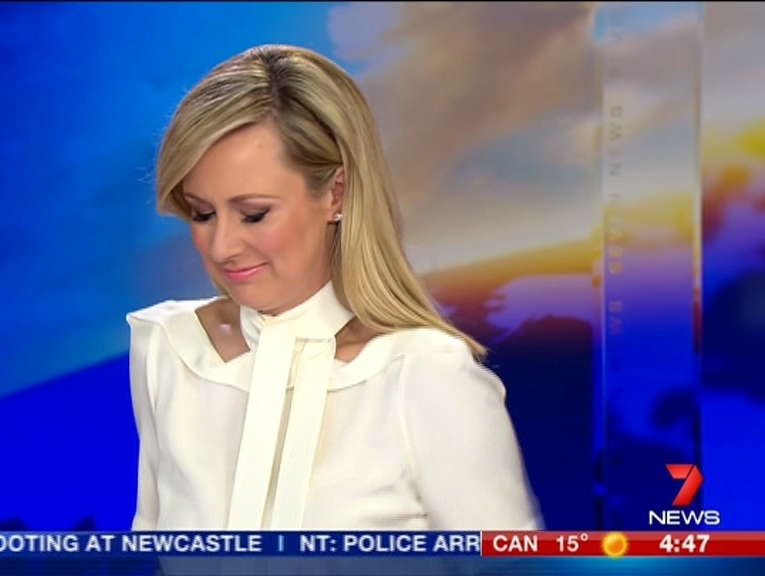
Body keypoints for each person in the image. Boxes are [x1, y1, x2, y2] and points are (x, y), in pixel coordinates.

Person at [126, 44, 542, 532]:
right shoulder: (169, 349)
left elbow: (509, 563)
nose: (221, 247)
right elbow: (148, 546)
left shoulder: (425, 375)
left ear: (335, 194)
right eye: (202, 213)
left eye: (254, 214)